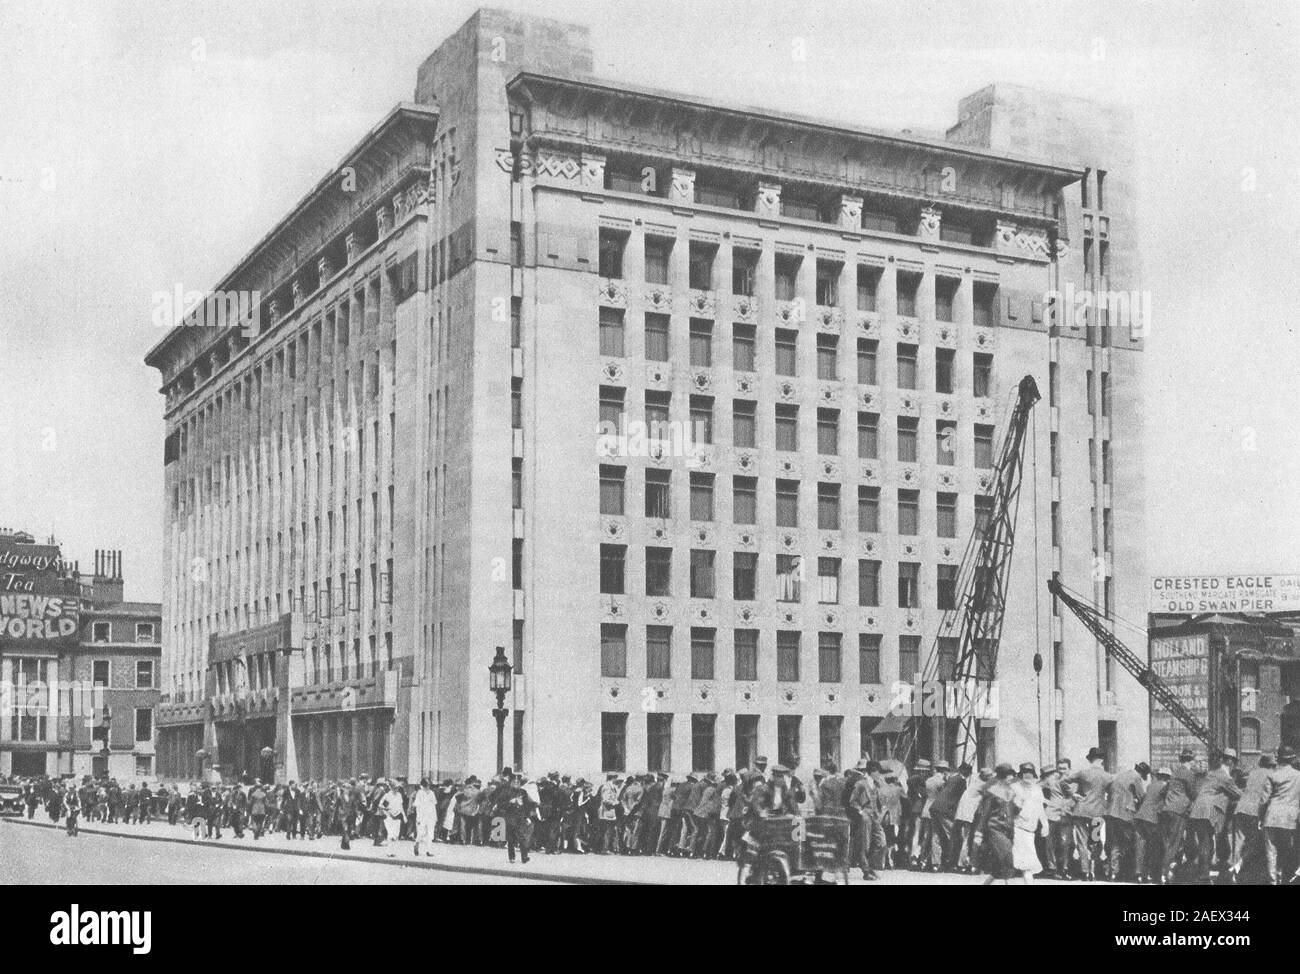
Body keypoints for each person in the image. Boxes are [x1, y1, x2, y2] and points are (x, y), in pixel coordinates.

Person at [1189, 749, 1240, 884]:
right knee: (1206, 843)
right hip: (1207, 812)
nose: (1234, 765)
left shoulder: (1212, 773)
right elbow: (1238, 794)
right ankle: (1203, 877)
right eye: (1234, 762)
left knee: (1204, 842)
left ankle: (1202, 873)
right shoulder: (1225, 777)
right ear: (1230, 761)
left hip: (1197, 810)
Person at [1063, 747, 1112, 880]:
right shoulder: (1108, 777)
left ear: (1090, 759)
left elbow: (1063, 781)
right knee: (1094, 841)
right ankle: (1093, 872)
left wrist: (1073, 795)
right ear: (1102, 760)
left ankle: (1084, 872)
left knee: (1082, 842)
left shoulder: (1083, 773)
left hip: (1081, 811)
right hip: (1097, 813)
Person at [1226, 754, 1274, 884]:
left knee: (1238, 842)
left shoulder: (1253, 773)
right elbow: (1266, 797)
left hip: (1241, 809)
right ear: (1271, 765)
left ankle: (1232, 868)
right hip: (1254, 812)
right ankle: (1238, 868)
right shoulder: (1271, 775)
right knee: (1254, 844)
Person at [1260, 745, 1300, 885]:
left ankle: (1273, 882)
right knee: (1286, 851)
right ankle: (1284, 879)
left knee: (1271, 853)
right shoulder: (1298, 776)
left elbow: (1264, 800)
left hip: (1271, 817)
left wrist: (1260, 817)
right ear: (1292, 759)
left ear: (1279, 759)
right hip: (1290, 820)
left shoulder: (1272, 774)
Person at [1159, 749, 1199, 884]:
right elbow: (1193, 794)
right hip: (1179, 811)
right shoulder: (1188, 774)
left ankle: (1168, 872)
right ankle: (1165, 874)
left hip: (1167, 809)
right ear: (1190, 761)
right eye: (1193, 761)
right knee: (1174, 844)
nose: (1194, 763)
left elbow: (1164, 791)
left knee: (1169, 843)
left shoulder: (1175, 773)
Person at [974, 764, 1018, 884]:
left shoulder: (1011, 791)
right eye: (1009, 775)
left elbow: (1013, 811)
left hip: (1008, 829)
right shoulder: (992, 792)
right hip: (995, 828)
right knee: (1007, 858)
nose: (1012, 778)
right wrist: (979, 833)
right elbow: (985, 813)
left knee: (999, 866)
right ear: (1003, 777)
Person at [1104, 762, 1148, 882]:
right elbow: (1142, 797)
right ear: (1142, 773)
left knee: (1115, 842)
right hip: (1126, 813)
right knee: (1130, 841)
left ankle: (1113, 873)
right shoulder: (1136, 777)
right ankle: (1131, 872)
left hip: (1111, 812)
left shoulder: (1120, 775)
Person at [1011, 763, 1048, 883]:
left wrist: (1045, 825)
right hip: (1018, 828)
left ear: (1033, 775)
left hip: (1030, 830)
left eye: (1030, 773)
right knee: (1026, 865)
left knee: (1026, 864)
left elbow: (1040, 808)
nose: (1027, 775)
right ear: (1020, 774)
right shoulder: (1015, 787)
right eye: (1025, 772)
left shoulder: (1037, 789)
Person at [497, 772, 538, 864]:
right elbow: (500, 804)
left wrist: (528, 817)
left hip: (520, 817)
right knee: (511, 838)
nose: (516, 783)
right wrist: (510, 802)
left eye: (518, 781)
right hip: (510, 817)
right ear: (511, 782)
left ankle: (524, 856)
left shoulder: (523, 792)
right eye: (514, 781)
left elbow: (527, 805)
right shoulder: (505, 792)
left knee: (522, 837)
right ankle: (512, 857)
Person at [412, 778, 438, 856]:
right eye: (426, 785)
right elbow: (417, 806)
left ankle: (429, 851)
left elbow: (434, 805)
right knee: (420, 833)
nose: (428, 787)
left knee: (430, 834)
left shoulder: (432, 793)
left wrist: (435, 817)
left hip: (431, 816)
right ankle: (416, 843)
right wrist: (419, 817)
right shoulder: (419, 793)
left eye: (429, 785)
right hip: (422, 816)